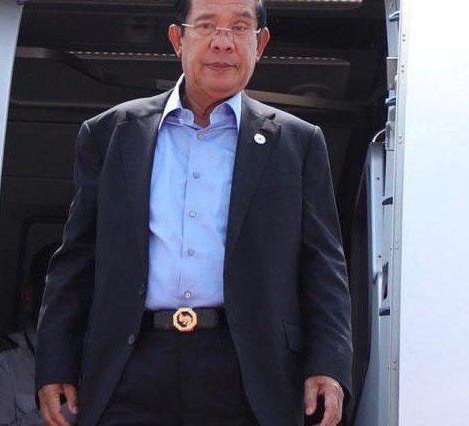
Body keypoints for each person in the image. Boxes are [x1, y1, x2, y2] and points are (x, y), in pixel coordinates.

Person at [36, 0, 353, 425]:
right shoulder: (110, 134)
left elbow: (323, 266)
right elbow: (77, 258)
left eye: (239, 27)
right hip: (131, 367)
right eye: (206, 26)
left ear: (260, 43)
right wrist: (55, 363)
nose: (223, 42)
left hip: (249, 373)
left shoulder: (297, 143)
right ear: (177, 39)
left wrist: (329, 363)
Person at [0, 245, 56, 425]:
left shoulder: (97, 359)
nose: (67, 306)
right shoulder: (1, 359)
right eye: (55, 294)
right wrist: (62, 406)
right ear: (28, 296)